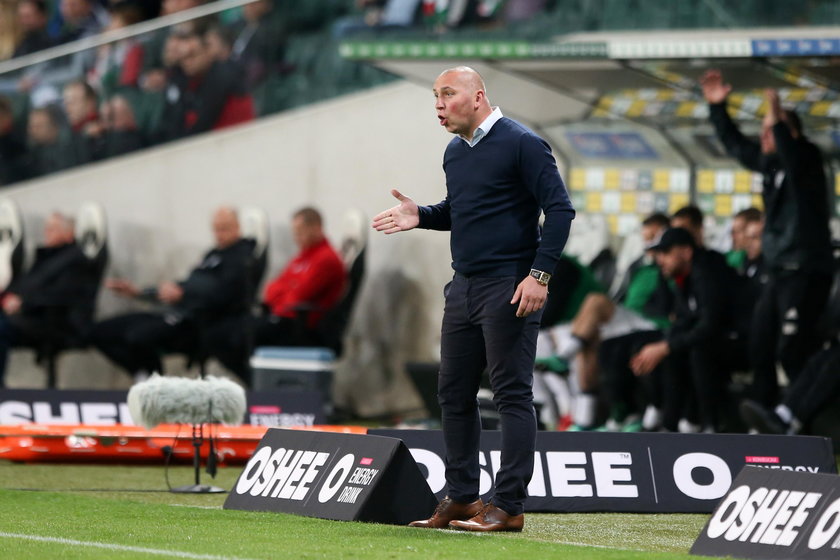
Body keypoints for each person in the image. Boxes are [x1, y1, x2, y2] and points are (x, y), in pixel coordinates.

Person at [372, 66, 574, 532]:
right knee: (452, 393)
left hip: (509, 285)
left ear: (478, 96)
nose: (439, 104)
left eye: (448, 94)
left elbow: (560, 209)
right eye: (434, 96)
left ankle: (508, 506)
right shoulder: (455, 153)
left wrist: (538, 276)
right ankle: (462, 497)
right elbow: (460, 212)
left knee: (510, 394)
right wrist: (420, 215)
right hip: (463, 286)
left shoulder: (522, 142)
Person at [702, 69, 833, 407]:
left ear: (790, 133)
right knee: (759, 346)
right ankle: (765, 422)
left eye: (770, 131)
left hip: (805, 270)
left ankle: (801, 422)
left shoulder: (807, 160)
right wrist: (718, 108)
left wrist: (776, 112)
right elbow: (736, 145)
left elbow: (791, 151)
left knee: (791, 350)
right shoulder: (772, 166)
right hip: (779, 272)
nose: (763, 137)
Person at [90, 206, 253, 381]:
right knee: (99, 331)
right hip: (172, 312)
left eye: (224, 228)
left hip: (196, 323)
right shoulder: (212, 255)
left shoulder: (243, 256)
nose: (219, 234)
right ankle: (143, 375)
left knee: (138, 337)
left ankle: (155, 385)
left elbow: (223, 295)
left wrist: (184, 295)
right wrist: (139, 292)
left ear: (238, 227)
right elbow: (184, 286)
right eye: (216, 228)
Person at [208, 207, 345, 385]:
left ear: (317, 228)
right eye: (295, 233)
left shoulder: (326, 259)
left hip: (300, 327)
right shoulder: (304, 256)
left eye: (301, 233)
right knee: (219, 333)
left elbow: (296, 297)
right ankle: (259, 386)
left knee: (231, 338)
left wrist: (285, 291)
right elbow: (272, 289)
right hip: (280, 318)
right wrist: (286, 291)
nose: (297, 238)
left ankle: (259, 387)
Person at [630, 227, 735, 433]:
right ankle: (671, 423)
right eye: (659, 254)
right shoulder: (682, 279)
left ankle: (709, 426)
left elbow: (710, 326)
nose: (660, 260)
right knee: (658, 347)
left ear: (686, 252)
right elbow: (684, 322)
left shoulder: (707, 273)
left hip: (735, 341)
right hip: (711, 340)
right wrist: (663, 346)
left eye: (666, 253)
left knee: (695, 351)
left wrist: (666, 346)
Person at [0, 212, 100, 387]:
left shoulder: (76, 260)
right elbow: (23, 285)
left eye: (53, 229)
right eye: (46, 228)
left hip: (59, 324)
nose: (47, 233)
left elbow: (63, 295)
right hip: (30, 318)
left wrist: (24, 303)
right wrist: (9, 297)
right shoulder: (44, 258)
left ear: (69, 234)